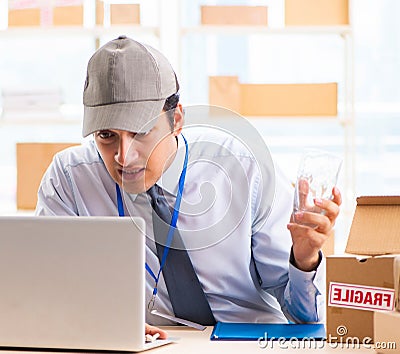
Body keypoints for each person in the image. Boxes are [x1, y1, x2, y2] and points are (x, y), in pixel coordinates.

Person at [36, 36, 341, 334]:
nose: (123, 156)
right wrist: (99, 325)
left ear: (177, 119)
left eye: (141, 132)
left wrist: (303, 260)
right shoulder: (69, 178)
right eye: (106, 135)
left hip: (242, 342)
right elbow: (42, 296)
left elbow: (306, 319)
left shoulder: (243, 169)